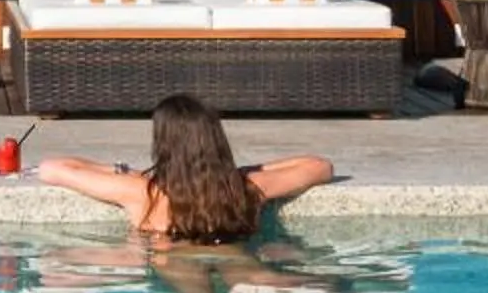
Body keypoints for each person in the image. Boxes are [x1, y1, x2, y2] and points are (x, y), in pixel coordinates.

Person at [32, 92, 335, 244]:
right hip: (236, 253)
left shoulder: (142, 192)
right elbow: (320, 166)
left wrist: (121, 169)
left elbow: (52, 168)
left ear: (164, 142)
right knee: (252, 282)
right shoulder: (248, 186)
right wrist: (243, 171)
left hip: (169, 257)